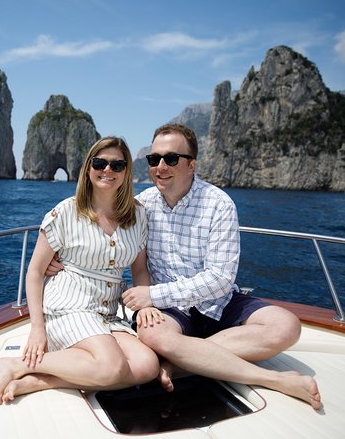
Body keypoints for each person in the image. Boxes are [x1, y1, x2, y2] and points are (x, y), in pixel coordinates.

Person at [119, 123, 321, 409]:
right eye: (154, 159)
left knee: (286, 326)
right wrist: (57, 255)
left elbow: (220, 279)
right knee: (152, 333)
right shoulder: (141, 205)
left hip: (218, 302)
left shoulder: (219, 204)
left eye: (171, 159)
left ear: (192, 165)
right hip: (171, 312)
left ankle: (178, 363)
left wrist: (152, 296)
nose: (160, 166)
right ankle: (271, 378)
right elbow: (103, 232)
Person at [0, 136, 164, 405]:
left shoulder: (137, 216)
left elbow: (139, 269)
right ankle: (16, 365)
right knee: (112, 367)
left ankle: (35, 381)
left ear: (127, 171)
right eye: (100, 163)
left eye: (117, 165)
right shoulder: (66, 212)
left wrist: (145, 302)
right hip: (68, 307)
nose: (108, 170)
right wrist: (37, 328)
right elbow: (34, 272)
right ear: (88, 168)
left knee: (147, 366)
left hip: (106, 314)